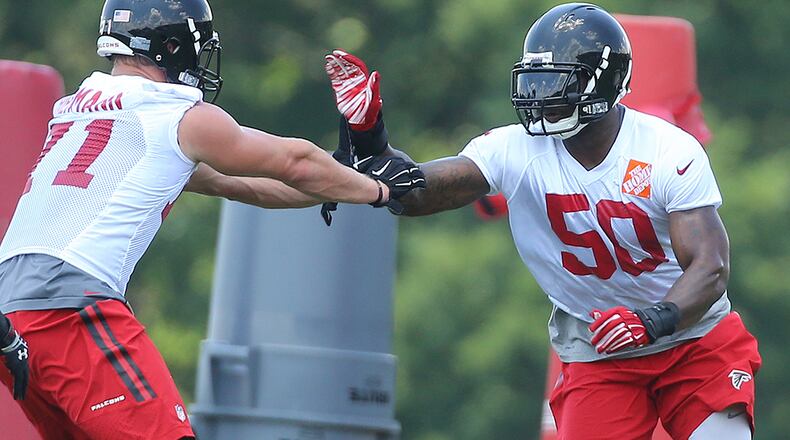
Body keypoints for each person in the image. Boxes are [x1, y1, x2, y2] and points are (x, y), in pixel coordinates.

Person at [324, 3, 761, 439]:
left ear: (604, 81)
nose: (541, 96)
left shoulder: (667, 150)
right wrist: (370, 140)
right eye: (535, 80)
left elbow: (710, 266)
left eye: (557, 81)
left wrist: (651, 319)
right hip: (599, 345)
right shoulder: (513, 149)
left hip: (691, 337)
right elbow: (417, 190)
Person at [0, 0, 425, 438]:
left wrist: (343, 180)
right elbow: (294, 161)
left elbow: (244, 186)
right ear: (172, 45)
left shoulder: (75, 111)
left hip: (11, 316)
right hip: (69, 308)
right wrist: (381, 190)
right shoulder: (174, 115)